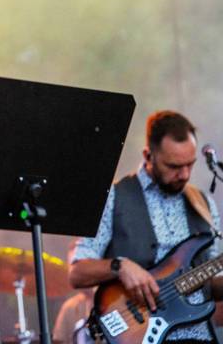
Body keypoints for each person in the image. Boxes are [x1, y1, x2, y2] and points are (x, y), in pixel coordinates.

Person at [68, 110, 223, 343]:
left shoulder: (204, 204)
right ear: (148, 155)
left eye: (190, 164)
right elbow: (77, 273)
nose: (184, 175)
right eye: (173, 166)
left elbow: (209, 285)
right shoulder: (114, 198)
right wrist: (119, 266)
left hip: (199, 337)